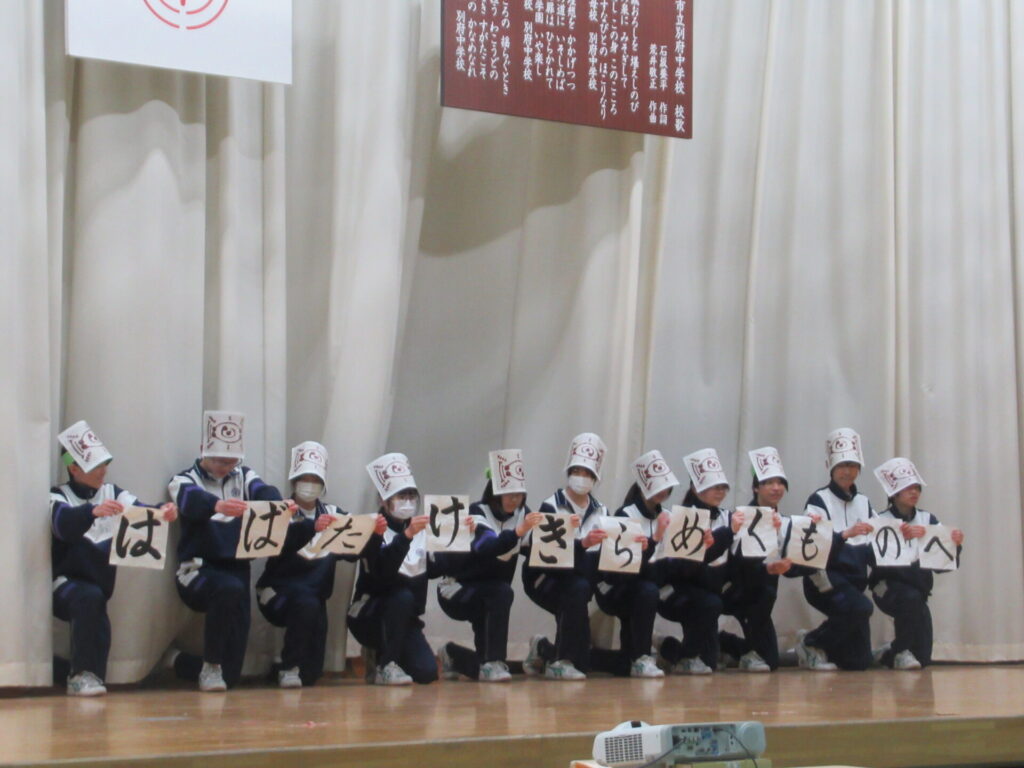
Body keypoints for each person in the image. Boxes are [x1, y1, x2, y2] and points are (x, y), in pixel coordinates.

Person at [168, 411, 295, 692]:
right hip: (197, 569)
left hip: (237, 570)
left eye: (231, 461)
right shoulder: (183, 480)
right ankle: (211, 665)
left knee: (231, 674)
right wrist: (216, 505)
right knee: (226, 589)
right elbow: (189, 500)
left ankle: (182, 662)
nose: (226, 467)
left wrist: (280, 504)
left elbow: (263, 490)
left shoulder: (243, 476)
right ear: (203, 450)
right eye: (219, 461)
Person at [51, 421, 177, 696]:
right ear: (74, 469)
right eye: (95, 466)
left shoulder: (113, 493)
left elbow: (141, 512)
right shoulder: (58, 496)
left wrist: (163, 511)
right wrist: (91, 512)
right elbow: (62, 525)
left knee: (96, 606)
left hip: (99, 586)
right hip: (64, 583)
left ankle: (88, 674)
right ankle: (82, 675)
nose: (103, 471)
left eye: (104, 464)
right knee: (88, 598)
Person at [256, 441, 386, 688]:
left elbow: (353, 552)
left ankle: (285, 668)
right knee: (304, 604)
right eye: (304, 478)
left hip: (314, 599)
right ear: (294, 482)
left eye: (315, 479)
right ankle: (289, 667)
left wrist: (375, 535)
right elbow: (275, 545)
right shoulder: (281, 510)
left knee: (311, 674)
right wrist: (311, 528)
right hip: (277, 593)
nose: (309, 484)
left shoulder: (334, 514)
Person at [436, 449, 543, 682]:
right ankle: (494, 661)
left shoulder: (523, 515)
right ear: (495, 491)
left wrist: (576, 541)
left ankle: (454, 655)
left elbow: (540, 550)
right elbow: (488, 546)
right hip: (456, 589)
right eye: (508, 494)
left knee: (484, 665)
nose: (514, 499)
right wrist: (519, 532)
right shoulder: (477, 512)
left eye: (519, 494)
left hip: (490, 592)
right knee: (501, 592)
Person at [522, 433, 610, 680]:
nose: (581, 477)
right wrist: (582, 545)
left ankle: (543, 649)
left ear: (595, 477)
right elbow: (551, 559)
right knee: (576, 589)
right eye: (577, 470)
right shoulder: (551, 505)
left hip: (581, 581)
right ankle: (561, 660)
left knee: (584, 662)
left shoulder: (602, 511)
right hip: (544, 578)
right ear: (568, 471)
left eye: (587, 473)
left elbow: (601, 559)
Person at [347, 453, 438, 686]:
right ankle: (385, 664)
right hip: (369, 612)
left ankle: (386, 656)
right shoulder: (372, 528)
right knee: (401, 596)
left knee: (426, 672)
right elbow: (381, 575)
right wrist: (406, 537)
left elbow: (439, 569)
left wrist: (456, 540)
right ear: (383, 500)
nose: (407, 502)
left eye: (411, 496)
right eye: (400, 496)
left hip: (404, 618)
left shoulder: (423, 530)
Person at [869, 458, 964, 670]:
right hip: (886, 586)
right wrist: (903, 539)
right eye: (907, 488)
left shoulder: (928, 519)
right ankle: (900, 650)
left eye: (917, 487)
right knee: (909, 598)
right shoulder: (880, 519)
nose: (914, 492)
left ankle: (889, 653)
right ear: (894, 493)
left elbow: (942, 564)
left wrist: (955, 545)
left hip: (918, 592)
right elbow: (876, 559)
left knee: (922, 658)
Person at [590, 450, 675, 679]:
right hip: (615, 588)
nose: (663, 490)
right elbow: (623, 570)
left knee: (622, 665)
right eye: (657, 485)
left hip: (646, 586)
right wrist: (655, 539)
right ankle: (642, 657)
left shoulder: (668, 515)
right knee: (647, 590)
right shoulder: (626, 514)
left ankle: (552, 652)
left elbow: (666, 566)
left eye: (666, 485)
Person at [656, 448, 742, 674]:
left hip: (710, 588)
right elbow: (684, 569)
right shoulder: (683, 517)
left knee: (709, 662)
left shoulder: (727, 517)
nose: (719, 492)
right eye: (713, 487)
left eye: (722, 487)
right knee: (709, 604)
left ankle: (676, 649)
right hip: (675, 590)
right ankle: (678, 653)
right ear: (695, 489)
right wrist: (724, 536)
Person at [798, 428, 877, 671]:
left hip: (853, 584)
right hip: (824, 580)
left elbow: (879, 541)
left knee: (859, 662)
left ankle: (825, 647)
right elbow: (811, 547)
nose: (847, 471)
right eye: (842, 465)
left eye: (852, 465)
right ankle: (810, 643)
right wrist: (844, 535)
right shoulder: (818, 500)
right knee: (862, 607)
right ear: (830, 467)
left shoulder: (864, 502)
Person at [718, 447, 791, 672]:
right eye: (769, 482)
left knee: (770, 661)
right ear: (756, 487)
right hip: (738, 591)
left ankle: (727, 644)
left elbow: (794, 565)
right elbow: (736, 564)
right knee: (765, 658)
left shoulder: (784, 521)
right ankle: (722, 642)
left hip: (764, 598)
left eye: (780, 482)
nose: (776, 487)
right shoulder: (742, 517)